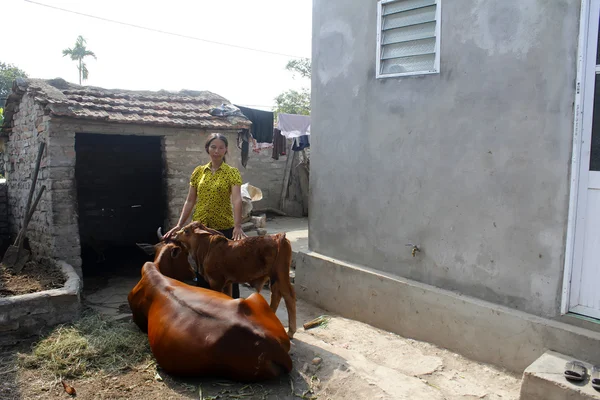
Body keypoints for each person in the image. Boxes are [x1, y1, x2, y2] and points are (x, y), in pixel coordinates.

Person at [164, 132, 246, 298]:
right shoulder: (198, 172)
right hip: (199, 230)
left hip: (223, 228)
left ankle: (233, 304)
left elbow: (237, 200)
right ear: (207, 148)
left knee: (227, 266)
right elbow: (190, 201)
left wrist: (237, 225)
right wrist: (180, 225)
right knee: (202, 267)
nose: (217, 151)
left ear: (226, 150)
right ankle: (205, 302)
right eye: (213, 147)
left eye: (221, 147)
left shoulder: (232, 173)